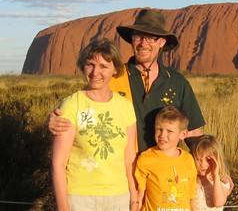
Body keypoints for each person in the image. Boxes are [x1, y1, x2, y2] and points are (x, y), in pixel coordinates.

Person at [48, 9, 206, 152]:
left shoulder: (177, 82)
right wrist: (55, 119)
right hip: (122, 171)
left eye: (150, 38)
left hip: (161, 173)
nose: (143, 43)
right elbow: (84, 105)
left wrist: (211, 161)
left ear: (162, 42)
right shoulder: (115, 76)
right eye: (138, 36)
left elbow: (191, 132)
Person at [51, 38, 138, 211]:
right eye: (90, 64)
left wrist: (134, 199)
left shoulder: (126, 106)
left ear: (115, 70)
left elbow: (129, 159)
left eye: (104, 66)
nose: (95, 72)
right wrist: (63, 208)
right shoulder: (71, 105)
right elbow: (58, 163)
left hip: (119, 197)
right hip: (81, 198)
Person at [134, 105, 198, 211]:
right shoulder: (146, 158)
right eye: (159, 129)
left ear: (182, 134)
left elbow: (191, 196)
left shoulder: (188, 159)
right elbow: (140, 195)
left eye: (169, 131)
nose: (162, 135)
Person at [190, 135, 232, 211]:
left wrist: (216, 175)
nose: (202, 164)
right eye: (198, 159)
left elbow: (218, 203)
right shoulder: (189, 179)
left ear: (217, 160)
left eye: (208, 160)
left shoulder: (222, 181)